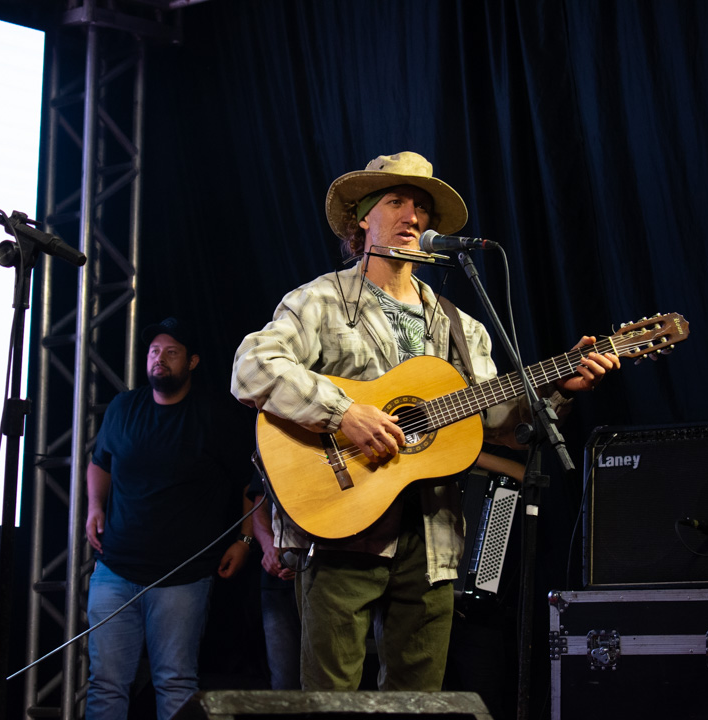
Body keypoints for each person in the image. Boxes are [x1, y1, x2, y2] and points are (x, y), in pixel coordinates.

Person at [230, 151, 618, 691]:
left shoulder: (463, 326)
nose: (413, 215)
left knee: (418, 700)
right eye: (396, 201)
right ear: (362, 217)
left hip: (434, 535)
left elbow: (494, 420)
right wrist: (343, 415)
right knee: (331, 700)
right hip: (345, 525)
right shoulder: (318, 300)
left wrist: (557, 384)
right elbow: (251, 369)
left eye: (421, 206)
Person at [85, 317, 255, 720]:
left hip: (182, 576)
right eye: (154, 352)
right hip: (114, 569)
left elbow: (249, 482)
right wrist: (94, 506)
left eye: (171, 352)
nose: (160, 359)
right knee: (105, 684)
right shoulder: (125, 406)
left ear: (192, 361)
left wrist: (245, 540)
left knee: (175, 681)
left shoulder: (214, 415)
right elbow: (100, 462)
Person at [248, 476, 302, 690]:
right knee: (283, 681)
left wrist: (306, 557)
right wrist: (269, 547)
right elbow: (259, 505)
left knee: (324, 678)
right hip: (277, 582)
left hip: (322, 576)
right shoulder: (267, 447)